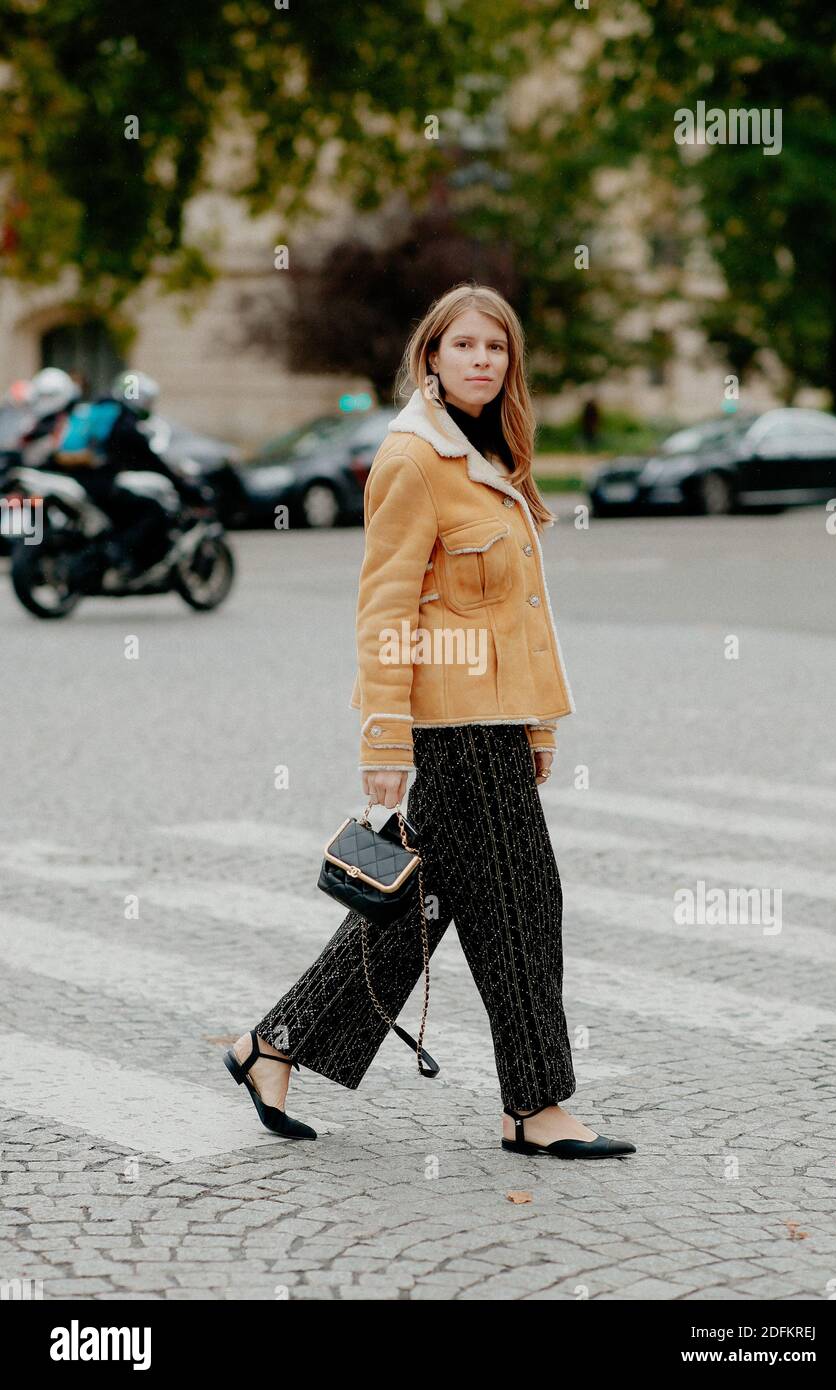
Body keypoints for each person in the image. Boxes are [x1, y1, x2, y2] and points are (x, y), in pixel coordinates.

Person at [224, 284, 636, 1161]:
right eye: (466, 346)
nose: (484, 359)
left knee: (419, 903)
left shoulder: (489, 458)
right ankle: (534, 1106)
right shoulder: (414, 459)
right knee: (525, 903)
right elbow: (384, 606)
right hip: (450, 726)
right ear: (432, 359)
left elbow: (523, 615)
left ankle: (273, 1044)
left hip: (495, 723)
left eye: (498, 348)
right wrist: (384, 738)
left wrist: (539, 727)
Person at [51, 371, 212, 580]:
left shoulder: (93, 410)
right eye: (148, 400)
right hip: (100, 484)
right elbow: (153, 463)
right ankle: (120, 557)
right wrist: (187, 488)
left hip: (75, 479)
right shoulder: (124, 424)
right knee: (153, 511)